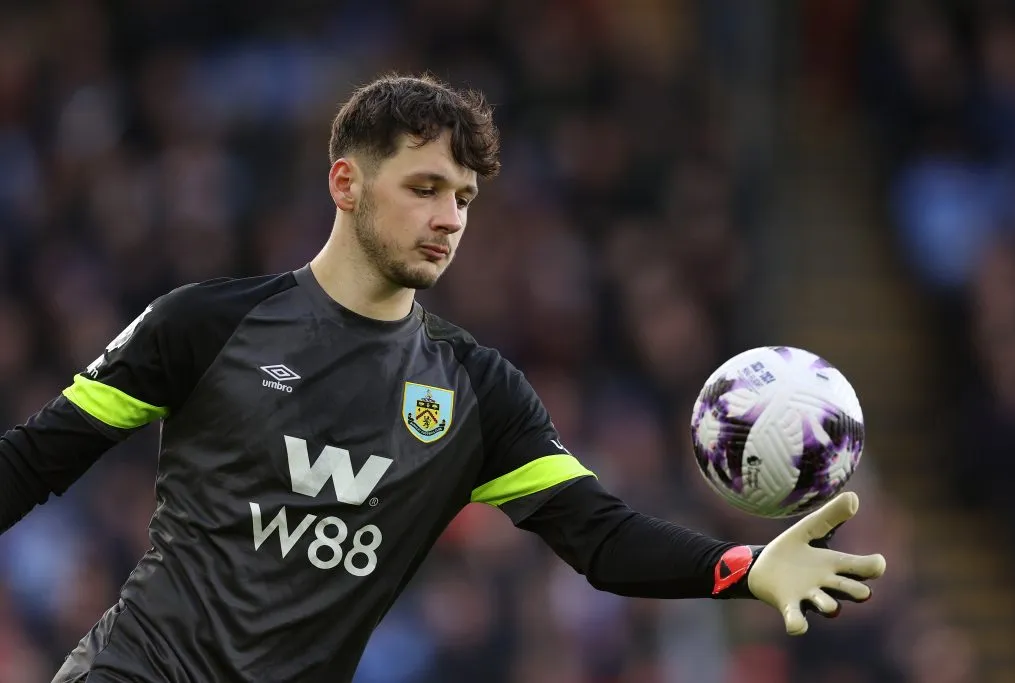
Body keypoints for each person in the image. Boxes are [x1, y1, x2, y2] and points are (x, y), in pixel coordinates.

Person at [0, 73, 885, 682]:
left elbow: (601, 537)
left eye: (463, 196)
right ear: (346, 183)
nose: (449, 217)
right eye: (424, 187)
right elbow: (36, 462)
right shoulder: (207, 323)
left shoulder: (476, 392)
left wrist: (744, 566)